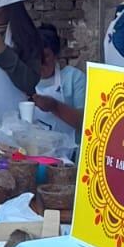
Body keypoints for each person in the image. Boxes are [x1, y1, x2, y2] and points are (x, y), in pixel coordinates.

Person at [30, 24, 88, 153]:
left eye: (46, 56)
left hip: (67, 155)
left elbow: (84, 123)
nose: (41, 62)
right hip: (33, 153)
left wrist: (54, 106)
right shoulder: (24, 78)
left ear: (56, 55)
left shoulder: (74, 78)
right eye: (35, 56)